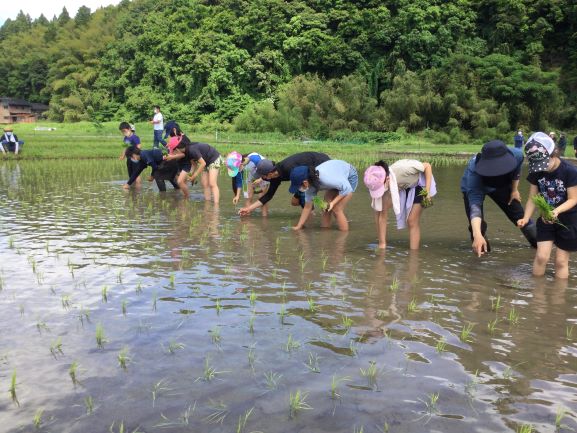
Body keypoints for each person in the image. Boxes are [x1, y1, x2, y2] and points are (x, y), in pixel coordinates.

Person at [461, 139, 537, 256]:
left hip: (501, 186)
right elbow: (475, 207)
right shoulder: (474, 173)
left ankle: (539, 245)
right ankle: (482, 254)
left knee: (519, 215)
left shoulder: (516, 155)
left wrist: (514, 190)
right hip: (478, 186)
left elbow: (516, 171)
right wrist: (477, 234)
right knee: (477, 228)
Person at [518, 132, 577, 279]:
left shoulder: (570, 171)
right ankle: (537, 295)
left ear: (554, 154)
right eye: (537, 166)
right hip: (545, 219)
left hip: (569, 221)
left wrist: (556, 211)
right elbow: (533, 197)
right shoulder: (537, 172)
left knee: (560, 261)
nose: (541, 169)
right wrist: (526, 218)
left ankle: (558, 297)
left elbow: (573, 199)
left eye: (544, 164)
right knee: (541, 257)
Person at [363, 159, 436, 250]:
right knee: (379, 209)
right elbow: (382, 215)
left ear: (387, 179)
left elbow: (427, 166)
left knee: (411, 220)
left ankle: (414, 255)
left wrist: (427, 192)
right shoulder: (379, 181)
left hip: (421, 184)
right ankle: (382, 241)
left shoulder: (404, 169)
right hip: (404, 186)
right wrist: (382, 244)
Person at [238, 152, 330, 216]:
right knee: (295, 202)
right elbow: (268, 196)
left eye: (263, 176)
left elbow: (307, 188)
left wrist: (310, 205)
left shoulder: (289, 169)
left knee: (306, 196)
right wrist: (248, 209)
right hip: (307, 171)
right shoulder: (275, 176)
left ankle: (317, 211)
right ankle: (317, 209)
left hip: (322, 163)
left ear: (269, 174)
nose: (262, 178)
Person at [289, 159, 358, 231]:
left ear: (305, 182)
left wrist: (333, 203)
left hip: (349, 177)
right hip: (337, 178)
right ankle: (325, 233)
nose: (299, 189)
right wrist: (299, 226)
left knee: (336, 209)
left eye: (298, 186)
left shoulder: (326, 179)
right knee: (325, 208)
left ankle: (343, 238)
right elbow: (307, 207)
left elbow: (347, 189)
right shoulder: (310, 186)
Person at [164, 127, 221, 202]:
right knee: (204, 184)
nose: (174, 155)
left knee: (212, 183)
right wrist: (191, 174)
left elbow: (202, 163)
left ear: (177, 149)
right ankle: (208, 204)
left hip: (213, 158)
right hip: (205, 161)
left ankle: (216, 207)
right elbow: (194, 164)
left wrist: (195, 175)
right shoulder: (186, 152)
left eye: (173, 152)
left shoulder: (191, 149)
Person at [226, 151, 270, 216]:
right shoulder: (239, 169)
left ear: (240, 164)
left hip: (264, 174)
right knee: (248, 197)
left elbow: (268, 170)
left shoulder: (254, 159)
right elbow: (239, 182)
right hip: (248, 176)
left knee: (262, 198)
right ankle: (247, 221)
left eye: (237, 169)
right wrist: (237, 196)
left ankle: (265, 218)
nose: (237, 171)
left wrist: (261, 179)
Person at [119, 122, 142, 187]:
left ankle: (138, 188)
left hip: (135, 158)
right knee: (131, 174)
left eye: (124, 131)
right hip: (129, 158)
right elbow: (125, 147)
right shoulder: (125, 138)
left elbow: (139, 146)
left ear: (129, 129)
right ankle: (133, 186)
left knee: (136, 174)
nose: (123, 133)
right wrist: (123, 155)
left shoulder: (135, 137)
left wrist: (136, 155)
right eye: (122, 132)